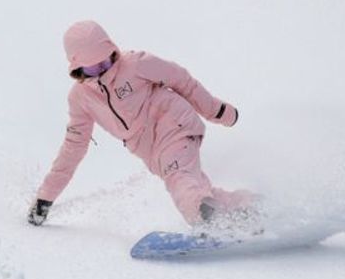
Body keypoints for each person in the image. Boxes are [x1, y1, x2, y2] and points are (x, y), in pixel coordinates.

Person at [28, 20, 253, 229]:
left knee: (179, 179)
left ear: (112, 51)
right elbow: (73, 147)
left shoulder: (135, 64)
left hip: (174, 125)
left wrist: (216, 111)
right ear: (77, 69)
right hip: (153, 153)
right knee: (197, 188)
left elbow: (181, 80)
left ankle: (208, 222)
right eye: (92, 69)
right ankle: (247, 206)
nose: (103, 72)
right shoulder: (81, 99)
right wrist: (45, 197)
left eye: (105, 62)